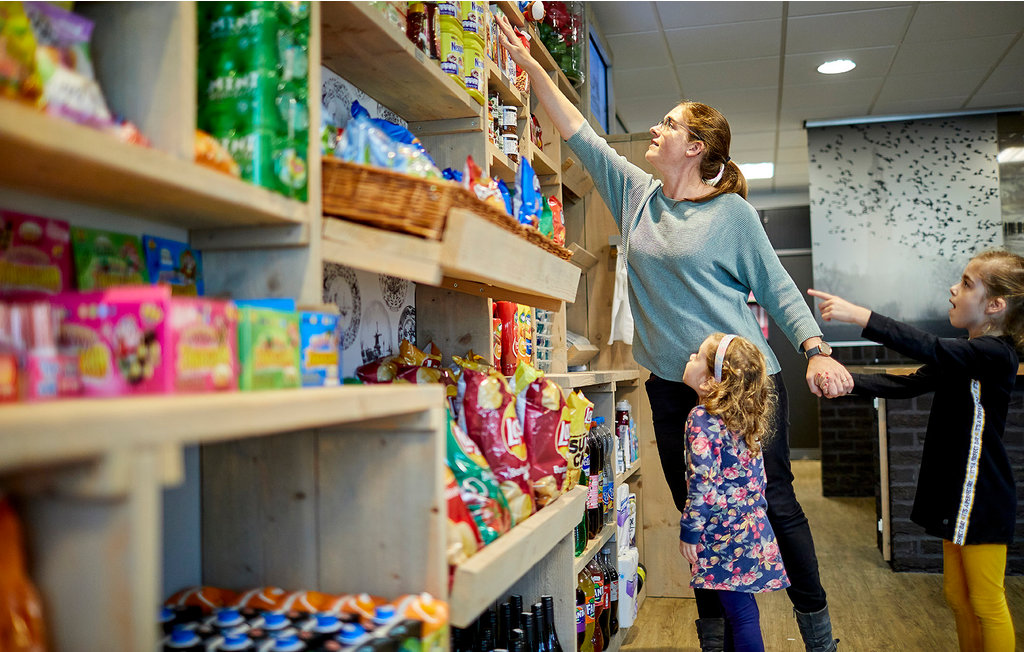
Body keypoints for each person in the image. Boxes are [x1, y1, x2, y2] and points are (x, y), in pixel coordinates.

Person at [496, 15, 851, 652]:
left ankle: (817, 632)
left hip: (745, 385)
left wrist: (815, 350)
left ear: (695, 147)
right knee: (700, 515)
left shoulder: (731, 214)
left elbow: (777, 288)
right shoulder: (636, 194)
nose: (655, 128)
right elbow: (582, 138)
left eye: (669, 122)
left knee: (776, 505)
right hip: (672, 387)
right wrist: (531, 66)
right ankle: (714, 638)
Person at [808, 249, 1022, 651]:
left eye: (966, 284)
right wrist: (843, 381)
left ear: (995, 305)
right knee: (958, 598)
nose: (953, 289)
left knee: (987, 601)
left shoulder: (995, 354)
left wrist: (860, 316)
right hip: (957, 495)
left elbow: (929, 347)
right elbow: (905, 384)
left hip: (983, 498)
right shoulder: (965, 352)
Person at [679, 332, 790, 652]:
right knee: (736, 610)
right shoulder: (744, 416)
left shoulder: (701, 418)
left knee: (740, 614)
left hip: (722, 532)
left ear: (712, 383)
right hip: (752, 527)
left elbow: (702, 481)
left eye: (697, 357)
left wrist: (690, 530)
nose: (690, 359)